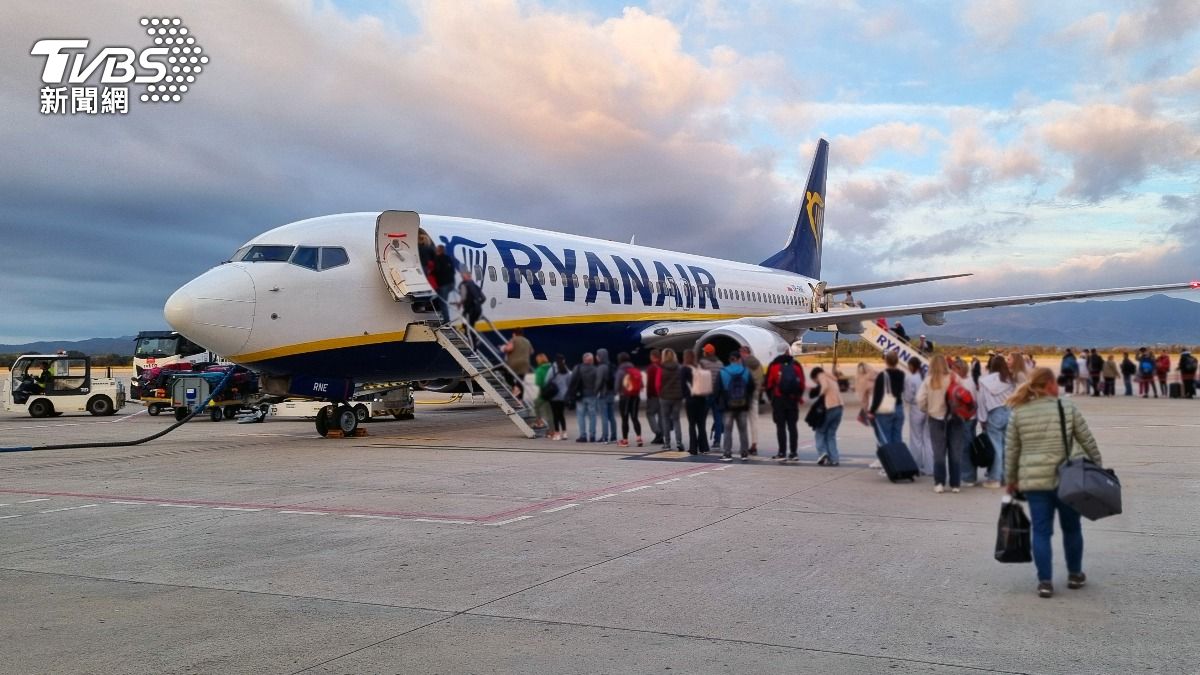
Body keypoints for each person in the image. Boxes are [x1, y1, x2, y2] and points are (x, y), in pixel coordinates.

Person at [1005, 367, 1102, 598]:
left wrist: (1011, 479)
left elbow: (1012, 450)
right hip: (1068, 480)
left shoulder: (1019, 412)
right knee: (1072, 528)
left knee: (1041, 531)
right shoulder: (1066, 407)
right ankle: (1075, 574)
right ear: (1049, 384)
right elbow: (1086, 438)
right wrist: (1097, 466)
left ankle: (1045, 582)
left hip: (1034, 483)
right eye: (1055, 383)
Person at [917, 356, 961, 494]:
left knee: (938, 452)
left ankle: (939, 483)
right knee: (955, 452)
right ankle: (955, 484)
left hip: (936, 418)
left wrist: (928, 409)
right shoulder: (954, 377)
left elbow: (920, 400)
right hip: (954, 419)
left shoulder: (929, 380)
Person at [977, 355, 1015, 488]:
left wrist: (982, 419)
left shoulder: (985, 381)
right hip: (1010, 412)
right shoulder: (1010, 379)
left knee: (996, 447)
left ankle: (994, 478)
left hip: (994, 413)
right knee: (1006, 447)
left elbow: (982, 401)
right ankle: (1006, 477)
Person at [765, 342, 806, 462]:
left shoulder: (773, 365)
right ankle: (793, 453)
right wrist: (798, 397)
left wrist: (772, 400)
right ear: (788, 351)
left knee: (780, 427)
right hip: (792, 400)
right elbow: (802, 384)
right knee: (792, 427)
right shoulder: (796, 365)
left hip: (779, 400)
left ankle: (782, 452)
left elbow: (768, 385)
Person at [717, 351, 755, 462]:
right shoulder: (746, 371)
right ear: (739, 359)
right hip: (742, 405)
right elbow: (751, 388)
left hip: (728, 405)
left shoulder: (723, 371)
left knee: (728, 430)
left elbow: (717, 389)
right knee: (743, 430)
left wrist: (719, 403)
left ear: (730, 359)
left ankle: (727, 454)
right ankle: (744, 453)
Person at [950, 358, 980, 487]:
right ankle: (969, 474)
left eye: (954, 368)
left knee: (965, 448)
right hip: (972, 418)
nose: (952, 371)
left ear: (959, 370)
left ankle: (968, 477)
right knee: (969, 445)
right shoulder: (970, 381)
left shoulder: (962, 383)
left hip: (965, 418)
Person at [868, 351, 906, 448]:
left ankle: (888, 461)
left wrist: (872, 410)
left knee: (885, 438)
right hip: (899, 407)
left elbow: (878, 395)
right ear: (897, 361)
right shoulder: (901, 374)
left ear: (886, 360)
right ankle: (897, 460)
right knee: (897, 437)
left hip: (886, 409)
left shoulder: (882, 375)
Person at [809, 366, 844, 466]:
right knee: (831, 434)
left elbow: (824, 386)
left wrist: (821, 396)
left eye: (815, 381)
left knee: (820, 431)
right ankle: (834, 458)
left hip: (830, 407)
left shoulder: (821, 375)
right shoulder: (832, 378)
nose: (816, 383)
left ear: (815, 376)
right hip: (840, 407)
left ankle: (823, 454)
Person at [903, 356, 931, 475]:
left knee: (916, 439)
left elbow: (908, 397)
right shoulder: (927, 377)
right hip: (929, 409)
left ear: (912, 366)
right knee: (928, 440)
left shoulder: (911, 378)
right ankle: (931, 468)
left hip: (916, 408)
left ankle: (917, 466)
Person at [681, 350, 710, 455]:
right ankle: (704, 447)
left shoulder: (684, 369)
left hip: (691, 399)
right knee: (701, 424)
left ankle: (693, 448)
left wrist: (685, 396)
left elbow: (682, 385)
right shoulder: (699, 366)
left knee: (692, 424)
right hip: (702, 398)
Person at [656, 349, 685, 451]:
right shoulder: (679, 368)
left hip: (665, 397)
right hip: (677, 397)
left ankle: (667, 444)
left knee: (665, 420)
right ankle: (679, 442)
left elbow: (658, 384)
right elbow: (683, 382)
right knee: (676, 419)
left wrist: (660, 394)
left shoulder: (661, 368)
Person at [569, 352, 600, 443]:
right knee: (592, 416)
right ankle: (592, 436)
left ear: (583, 360)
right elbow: (598, 382)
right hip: (592, 395)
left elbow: (572, 381)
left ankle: (583, 436)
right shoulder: (595, 369)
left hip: (580, 396)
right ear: (592, 360)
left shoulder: (577, 368)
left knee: (581, 416)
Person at [614, 352, 644, 447]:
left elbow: (617, 386)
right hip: (635, 396)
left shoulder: (620, 371)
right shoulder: (634, 369)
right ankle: (639, 438)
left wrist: (618, 392)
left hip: (625, 397)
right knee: (635, 418)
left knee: (625, 419)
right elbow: (641, 385)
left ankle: (625, 440)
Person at [699, 344, 725, 447]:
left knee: (702, 418)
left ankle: (702, 439)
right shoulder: (720, 364)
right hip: (717, 394)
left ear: (707, 352)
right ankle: (717, 441)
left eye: (704, 351)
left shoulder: (703, 363)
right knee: (718, 418)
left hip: (706, 393)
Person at [740, 345, 763, 456]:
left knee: (743, 422)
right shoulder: (758, 364)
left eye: (741, 353)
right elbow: (761, 379)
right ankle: (754, 444)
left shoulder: (744, 365)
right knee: (754, 422)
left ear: (744, 352)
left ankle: (744, 446)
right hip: (755, 396)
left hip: (745, 397)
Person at [547, 354, 572, 440]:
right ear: (564, 360)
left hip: (553, 395)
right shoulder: (567, 370)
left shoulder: (552, 369)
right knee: (561, 414)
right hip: (563, 396)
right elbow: (570, 383)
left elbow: (546, 381)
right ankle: (564, 433)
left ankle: (557, 434)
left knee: (555, 415)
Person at [595, 348, 616, 443]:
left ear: (600, 356)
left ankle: (605, 436)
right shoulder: (611, 366)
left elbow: (599, 382)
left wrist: (595, 391)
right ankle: (614, 435)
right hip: (611, 394)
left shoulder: (601, 367)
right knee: (612, 416)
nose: (596, 357)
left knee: (604, 416)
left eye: (597, 355)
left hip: (603, 394)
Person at [431, 244, 456, 322]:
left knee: (442, 302)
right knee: (442, 300)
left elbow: (438, 271)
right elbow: (453, 271)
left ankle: (446, 320)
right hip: (451, 283)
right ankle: (443, 316)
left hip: (443, 284)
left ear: (438, 251)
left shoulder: (437, 259)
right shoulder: (448, 258)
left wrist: (431, 272)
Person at [456, 271, 485, 335]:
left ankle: (466, 334)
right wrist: (477, 304)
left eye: (463, 277)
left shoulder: (464, 285)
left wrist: (459, 304)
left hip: (469, 309)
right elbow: (483, 298)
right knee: (471, 326)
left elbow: (463, 298)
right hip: (477, 310)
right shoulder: (476, 286)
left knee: (465, 320)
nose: (462, 278)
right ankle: (471, 338)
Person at [645, 349, 664, 444]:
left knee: (650, 413)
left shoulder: (651, 368)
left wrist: (648, 395)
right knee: (661, 415)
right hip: (663, 395)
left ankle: (658, 432)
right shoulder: (663, 366)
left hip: (654, 395)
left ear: (652, 356)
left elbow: (650, 384)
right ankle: (661, 435)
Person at [532, 353, 553, 434]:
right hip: (554, 392)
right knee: (550, 412)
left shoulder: (539, 370)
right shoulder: (552, 368)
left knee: (536, 405)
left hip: (544, 393)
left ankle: (539, 422)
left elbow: (538, 383)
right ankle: (553, 430)